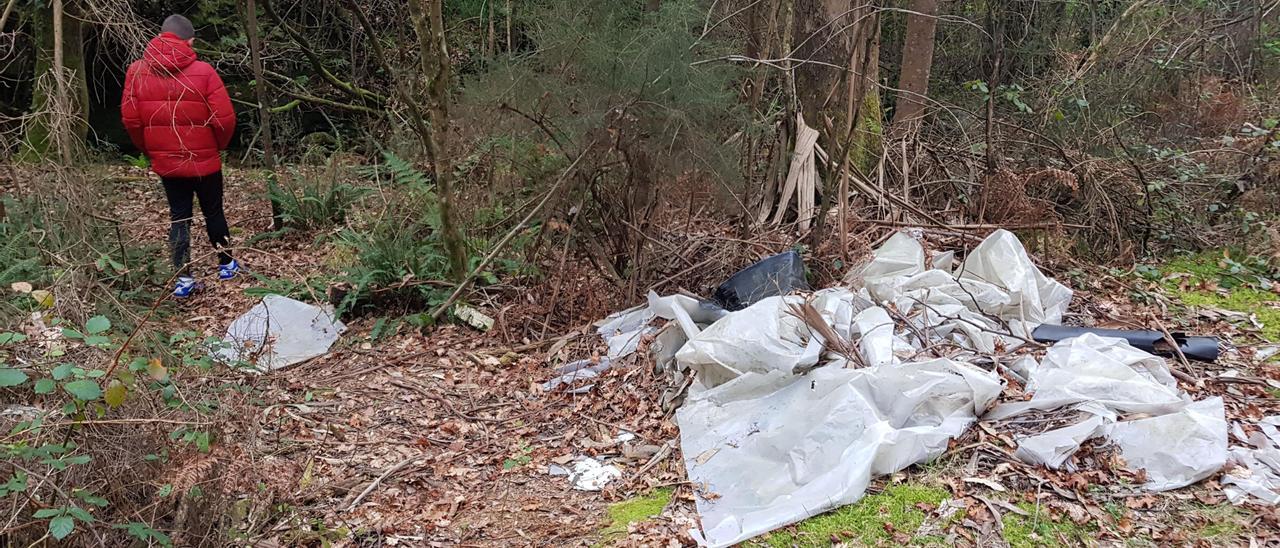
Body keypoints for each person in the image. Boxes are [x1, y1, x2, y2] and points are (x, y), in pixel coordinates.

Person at [121, 14, 239, 298]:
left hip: (167, 163)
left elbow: (131, 120)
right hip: (205, 161)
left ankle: (183, 278)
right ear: (190, 41)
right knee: (213, 211)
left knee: (179, 217)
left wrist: (149, 150)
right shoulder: (204, 71)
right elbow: (225, 120)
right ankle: (226, 265)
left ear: (161, 37)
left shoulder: (136, 72)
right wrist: (217, 145)